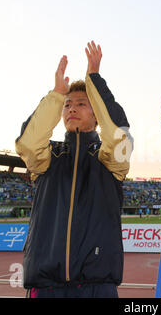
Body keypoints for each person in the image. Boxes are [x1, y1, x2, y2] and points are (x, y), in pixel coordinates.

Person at [15, 41, 133, 298]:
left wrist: (94, 79)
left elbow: (119, 133)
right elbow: (27, 142)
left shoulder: (108, 159)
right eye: (67, 105)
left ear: (96, 114)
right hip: (46, 285)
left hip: (97, 285)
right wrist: (56, 94)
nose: (71, 109)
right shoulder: (49, 157)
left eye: (81, 104)